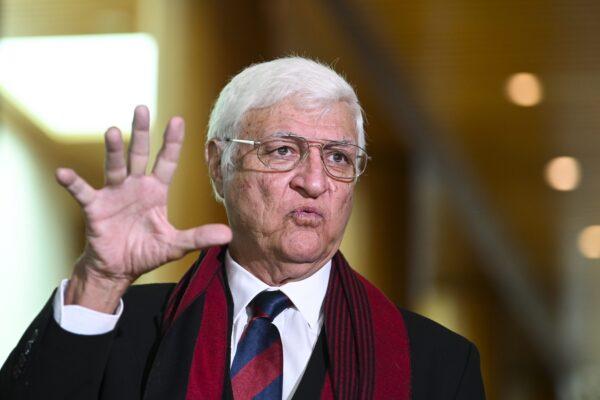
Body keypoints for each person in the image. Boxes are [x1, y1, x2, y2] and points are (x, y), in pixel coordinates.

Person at [0, 57, 485, 399]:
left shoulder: (435, 362)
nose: (315, 182)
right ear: (219, 164)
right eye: (283, 150)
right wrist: (99, 281)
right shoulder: (120, 328)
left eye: (338, 157)